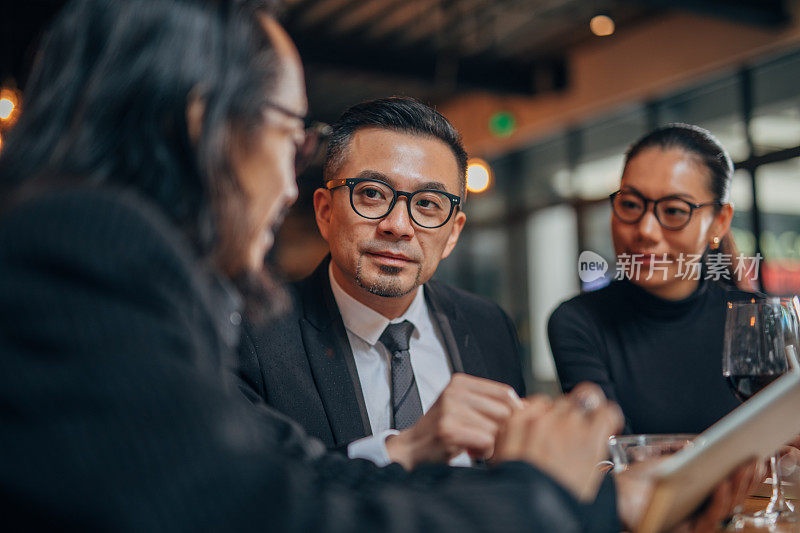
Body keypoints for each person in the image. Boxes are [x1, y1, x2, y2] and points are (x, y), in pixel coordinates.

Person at [0, 0, 650, 530]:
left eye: (426, 205)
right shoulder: (87, 256)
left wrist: (596, 502)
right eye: (290, 137)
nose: (286, 184)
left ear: (453, 231)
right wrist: (539, 493)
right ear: (208, 127)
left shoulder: (100, 252)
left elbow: (295, 473)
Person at [238, 97, 526, 469]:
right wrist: (403, 449)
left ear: (453, 234)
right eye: (372, 193)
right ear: (325, 212)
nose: (399, 226)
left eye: (428, 204)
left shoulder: (489, 326)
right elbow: (249, 488)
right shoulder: (255, 334)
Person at [548, 124, 757, 435]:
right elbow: (612, 451)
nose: (645, 230)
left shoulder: (757, 320)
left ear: (719, 222)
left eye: (674, 210)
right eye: (631, 204)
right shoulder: (580, 321)